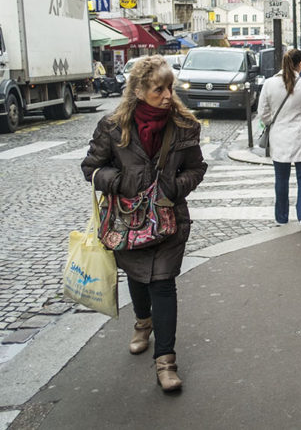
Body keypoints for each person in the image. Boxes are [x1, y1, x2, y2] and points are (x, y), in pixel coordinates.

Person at [80, 55, 206, 392]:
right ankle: (142, 321)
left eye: (169, 88)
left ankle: (165, 362)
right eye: (157, 90)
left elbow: (197, 168)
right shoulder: (112, 126)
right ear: (138, 91)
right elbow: (90, 168)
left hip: (168, 219)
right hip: (126, 221)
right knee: (137, 276)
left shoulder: (183, 125)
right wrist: (118, 182)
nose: (167, 96)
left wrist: (175, 187)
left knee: (162, 283)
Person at [258, 48, 301, 227]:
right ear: (300, 64)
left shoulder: (269, 83)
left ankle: (281, 217)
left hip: (279, 137)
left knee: (281, 179)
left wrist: (274, 121)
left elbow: (263, 114)